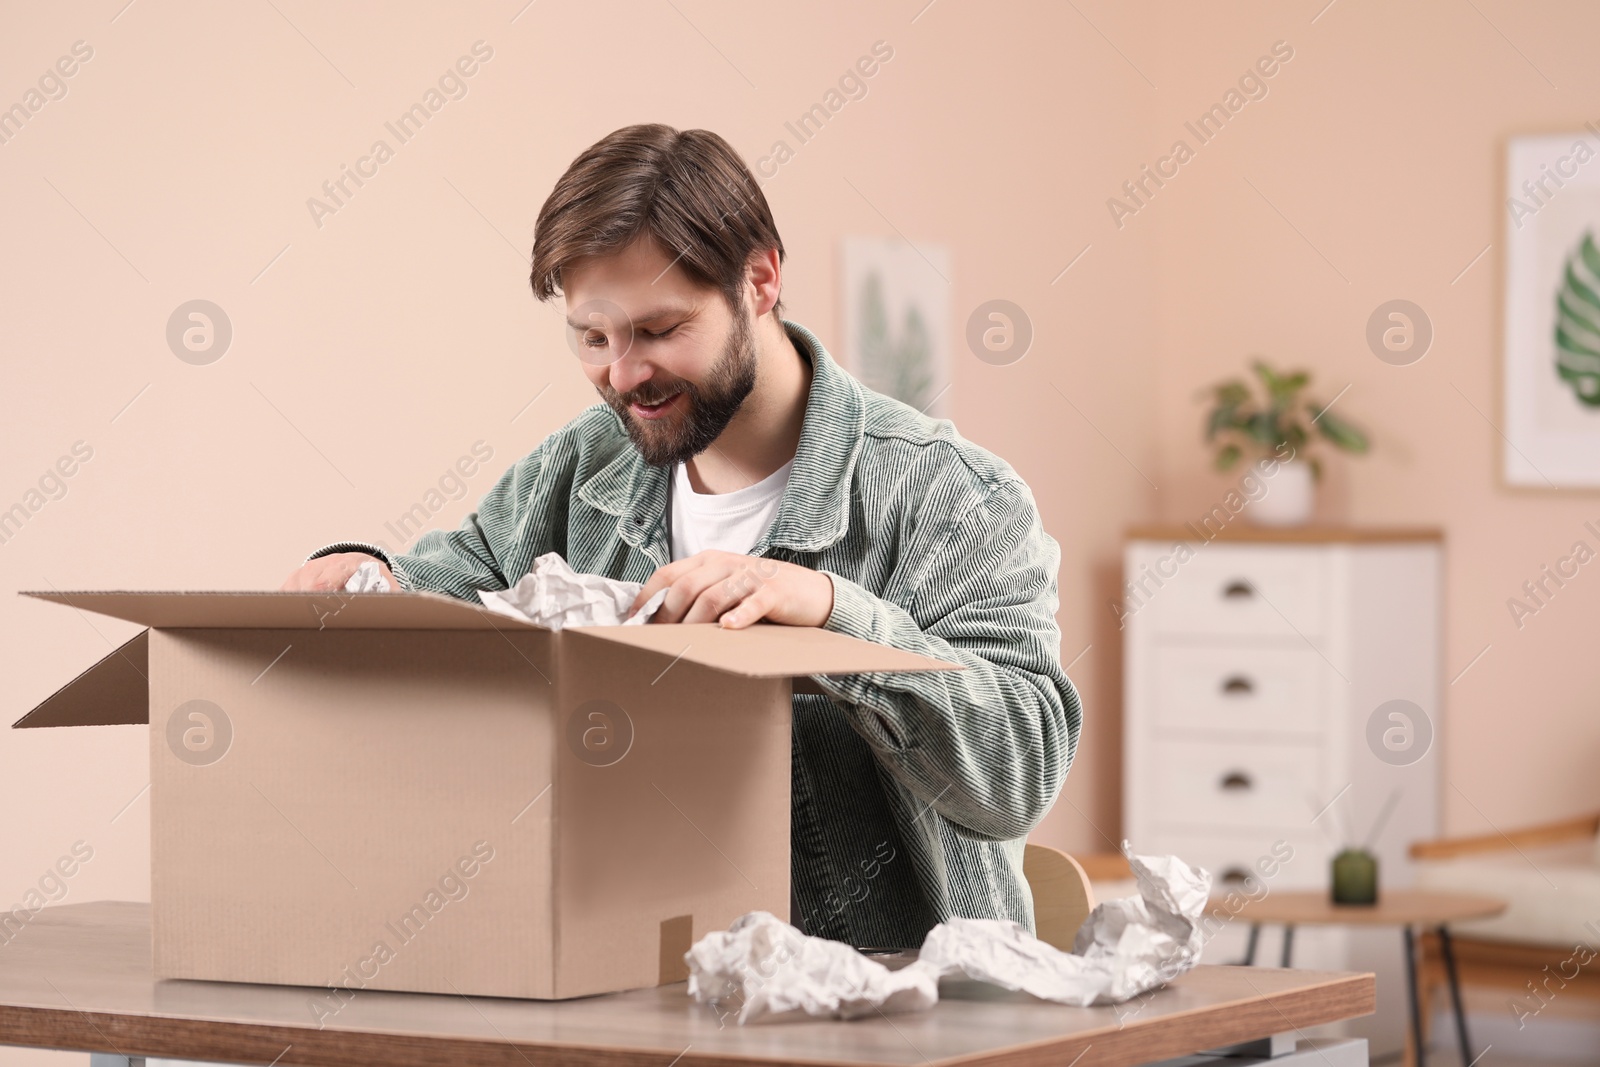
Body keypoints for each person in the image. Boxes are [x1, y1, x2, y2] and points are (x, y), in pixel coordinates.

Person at [281, 123, 1081, 949]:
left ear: (760, 280)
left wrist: (835, 615)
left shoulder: (951, 496)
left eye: (659, 330)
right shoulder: (579, 468)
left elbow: (1018, 772)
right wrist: (368, 575)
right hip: (630, 987)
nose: (623, 374)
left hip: (887, 1010)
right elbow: (454, 584)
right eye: (594, 337)